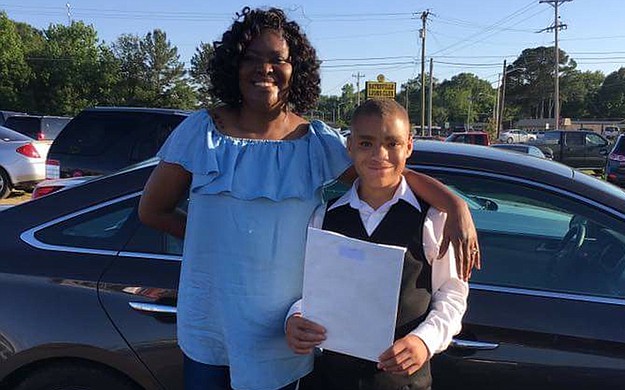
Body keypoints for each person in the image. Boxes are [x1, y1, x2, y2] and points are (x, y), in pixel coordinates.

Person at [138, 7, 479, 390]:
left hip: (285, 329)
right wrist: (219, 243)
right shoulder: (203, 132)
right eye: (250, 58)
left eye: (276, 60)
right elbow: (152, 210)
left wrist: (454, 204)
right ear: (232, 65)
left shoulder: (316, 143)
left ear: (295, 68)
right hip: (211, 316)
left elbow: (381, 170)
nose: (263, 69)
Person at [285, 99, 469, 390]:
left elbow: (451, 293)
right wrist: (295, 317)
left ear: (409, 146)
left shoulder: (432, 218)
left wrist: (424, 340)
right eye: (366, 143)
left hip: (403, 383)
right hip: (332, 379)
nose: (379, 155)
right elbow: (308, 288)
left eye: (392, 143)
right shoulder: (325, 215)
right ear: (350, 145)